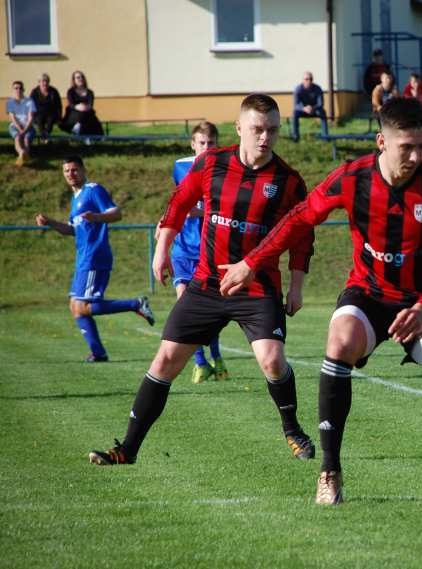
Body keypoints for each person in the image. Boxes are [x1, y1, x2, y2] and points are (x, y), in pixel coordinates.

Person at [219, 97, 422, 506]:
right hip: (370, 292)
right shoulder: (352, 178)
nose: (415, 156)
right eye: (405, 147)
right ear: (381, 141)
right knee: (339, 341)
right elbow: (300, 218)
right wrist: (253, 262)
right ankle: (329, 472)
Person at [87, 93, 316, 467]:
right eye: (258, 129)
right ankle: (126, 449)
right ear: (239, 127)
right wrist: (162, 249)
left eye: (273, 130)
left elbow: (302, 236)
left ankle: (292, 429)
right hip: (207, 284)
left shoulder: (289, 181)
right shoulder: (212, 164)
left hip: (257, 287)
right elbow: (179, 203)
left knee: (272, 362)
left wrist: (297, 285)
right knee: (164, 362)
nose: (265, 137)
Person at [35, 156, 156, 361]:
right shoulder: (76, 198)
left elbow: (116, 213)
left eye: (74, 170)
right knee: (75, 306)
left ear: (83, 170)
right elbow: (72, 229)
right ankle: (98, 353)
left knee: (83, 306)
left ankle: (135, 304)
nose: (71, 174)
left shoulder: (93, 190)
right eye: (66, 171)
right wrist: (50, 222)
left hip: (94, 256)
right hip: (83, 257)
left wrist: (97, 217)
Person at [161, 121, 230, 384]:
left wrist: (199, 211)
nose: (206, 148)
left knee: (207, 310)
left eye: (211, 144)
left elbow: (221, 207)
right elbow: (178, 200)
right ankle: (201, 364)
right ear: (193, 144)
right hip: (182, 248)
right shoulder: (180, 166)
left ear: (217, 144)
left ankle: (217, 358)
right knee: (184, 306)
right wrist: (164, 222)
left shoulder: (225, 168)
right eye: (202, 143)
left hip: (208, 250)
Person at [60, 70, 103, 136]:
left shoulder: (90, 92)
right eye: (78, 77)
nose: (80, 79)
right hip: (74, 113)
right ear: (74, 80)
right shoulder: (71, 91)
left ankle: (79, 130)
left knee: (87, 116)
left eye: (82, 77)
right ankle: (85, 136)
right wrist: (78, 107)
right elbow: (71, 104)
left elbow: (90, 105)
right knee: (81, 115)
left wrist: (85, 107)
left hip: (87, 112)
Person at [291, 71, 328, 142]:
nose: (309, 81)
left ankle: (325, 137)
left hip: (315, 110)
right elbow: (296, 105)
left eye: (311, 79)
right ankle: (295, 137)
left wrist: (313, 108)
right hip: (303, 111)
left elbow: (321, 103)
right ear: (303, 80)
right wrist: (304, 108)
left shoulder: (318, 88)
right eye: (306, 79)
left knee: (323, 112)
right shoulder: (298, 89)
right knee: (295, 113)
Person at [7, 80, 35, 166]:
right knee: (17, 137)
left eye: (20, 88)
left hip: (28, 126)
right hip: (15, 126)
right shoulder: (10, 102)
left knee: (26, 140)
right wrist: (20, 129)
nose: (18, 90)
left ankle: (21, 156)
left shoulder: (30, 101)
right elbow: (13, 118)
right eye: (16, 88)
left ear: (23, 89)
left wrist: (25, 129)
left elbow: (31, 118)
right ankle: (22, 153)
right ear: (13, 90)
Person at [29, 73, 62, 141]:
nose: (45, 83)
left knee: (50, 119)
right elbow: (31, 105)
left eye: (46, 81)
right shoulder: (34, 92)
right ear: (39, 82)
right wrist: (30, 116)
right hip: (38, 113)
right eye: (43, 81)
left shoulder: (54, 91)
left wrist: (59, 116)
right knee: (39, 119)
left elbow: (59, 105)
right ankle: (44, 137)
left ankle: (45, 136)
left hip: (51, 113)